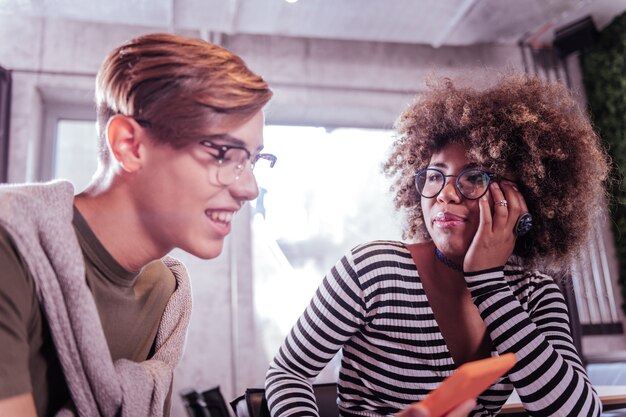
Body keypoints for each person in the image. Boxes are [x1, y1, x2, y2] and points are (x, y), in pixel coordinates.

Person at [265, 73, 608, 417]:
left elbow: (578, 412)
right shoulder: (373, 272)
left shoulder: (535, 295)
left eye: (474, 177)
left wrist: (487, 282)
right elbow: (287, 374)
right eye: (434, 175)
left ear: (522, 198)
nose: (444, 193)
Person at [0, 33, 274, 416]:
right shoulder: (10, 241)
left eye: (254, 160)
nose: (249, 188)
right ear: (130, 145)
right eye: (225, 153)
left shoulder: (165, 291)